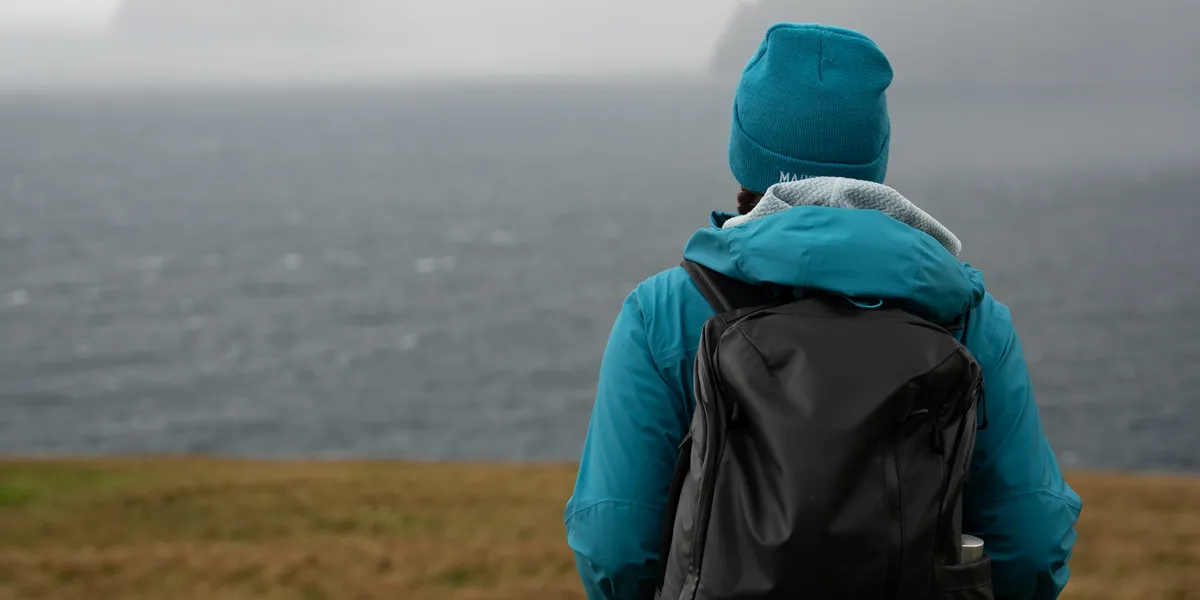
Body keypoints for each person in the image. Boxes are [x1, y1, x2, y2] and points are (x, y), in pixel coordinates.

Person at [563, 22, 1082, 600]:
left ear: (743, 153)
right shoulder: (968, 317)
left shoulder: (661, 313)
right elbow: (1032, 545)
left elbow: (613, 547)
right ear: (874, 161)